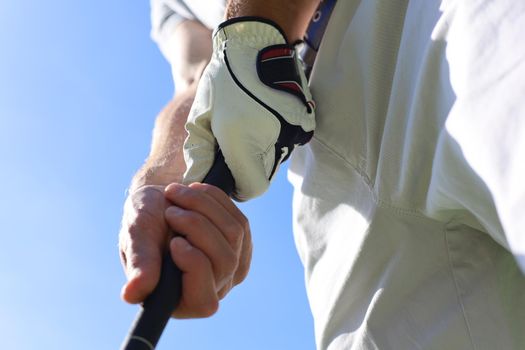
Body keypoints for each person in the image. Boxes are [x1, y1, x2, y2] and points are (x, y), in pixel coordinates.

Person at [119, 0, 525, 348]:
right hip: (324, 160)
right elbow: (197, 78)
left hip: (423, 16)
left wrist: (256, 29)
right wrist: (160, 187)